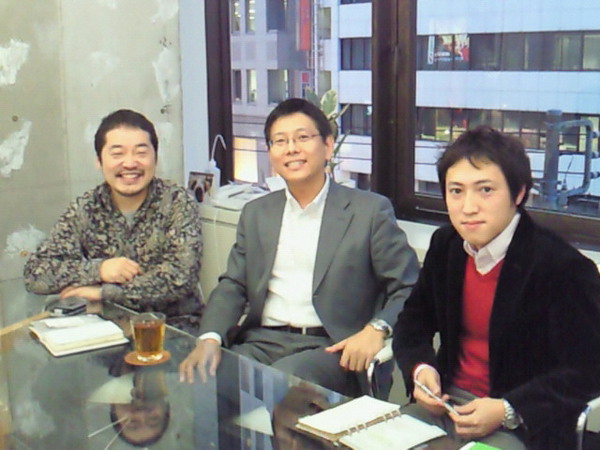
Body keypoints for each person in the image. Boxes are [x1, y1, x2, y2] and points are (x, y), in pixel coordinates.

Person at [179, 98, 419, 396]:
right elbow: (233, 285)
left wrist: (377, 328)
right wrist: (210, 337)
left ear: (328, 146)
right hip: (262, 341)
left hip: (331, 348)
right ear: (270, 152)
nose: (291, 148)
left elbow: (409, 286)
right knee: (199, 379)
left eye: (302, 137)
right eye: (280, 141)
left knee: (285, 384)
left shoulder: (368, 211)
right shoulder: (257, 213)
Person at [393, 125, 600, 449]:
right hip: (445, 405)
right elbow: (412, 322)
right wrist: (420, 370)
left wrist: (507, 409)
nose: (468, 207)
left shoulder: (562, 267)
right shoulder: (447, 245)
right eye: (456, 191)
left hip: (522, 425)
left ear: (518, 194)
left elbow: (588, 368)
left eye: (485, 190)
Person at [23, 109, 202, 333]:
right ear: (99, 161)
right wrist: (99, 270)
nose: (130, 163)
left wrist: (104, 293)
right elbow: (35, 274)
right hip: (106, 331)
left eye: (141, 152)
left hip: (174, 330)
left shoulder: (177, 202)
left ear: (155, 158)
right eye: (117, 154)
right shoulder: (86, 208)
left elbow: (180, 277)